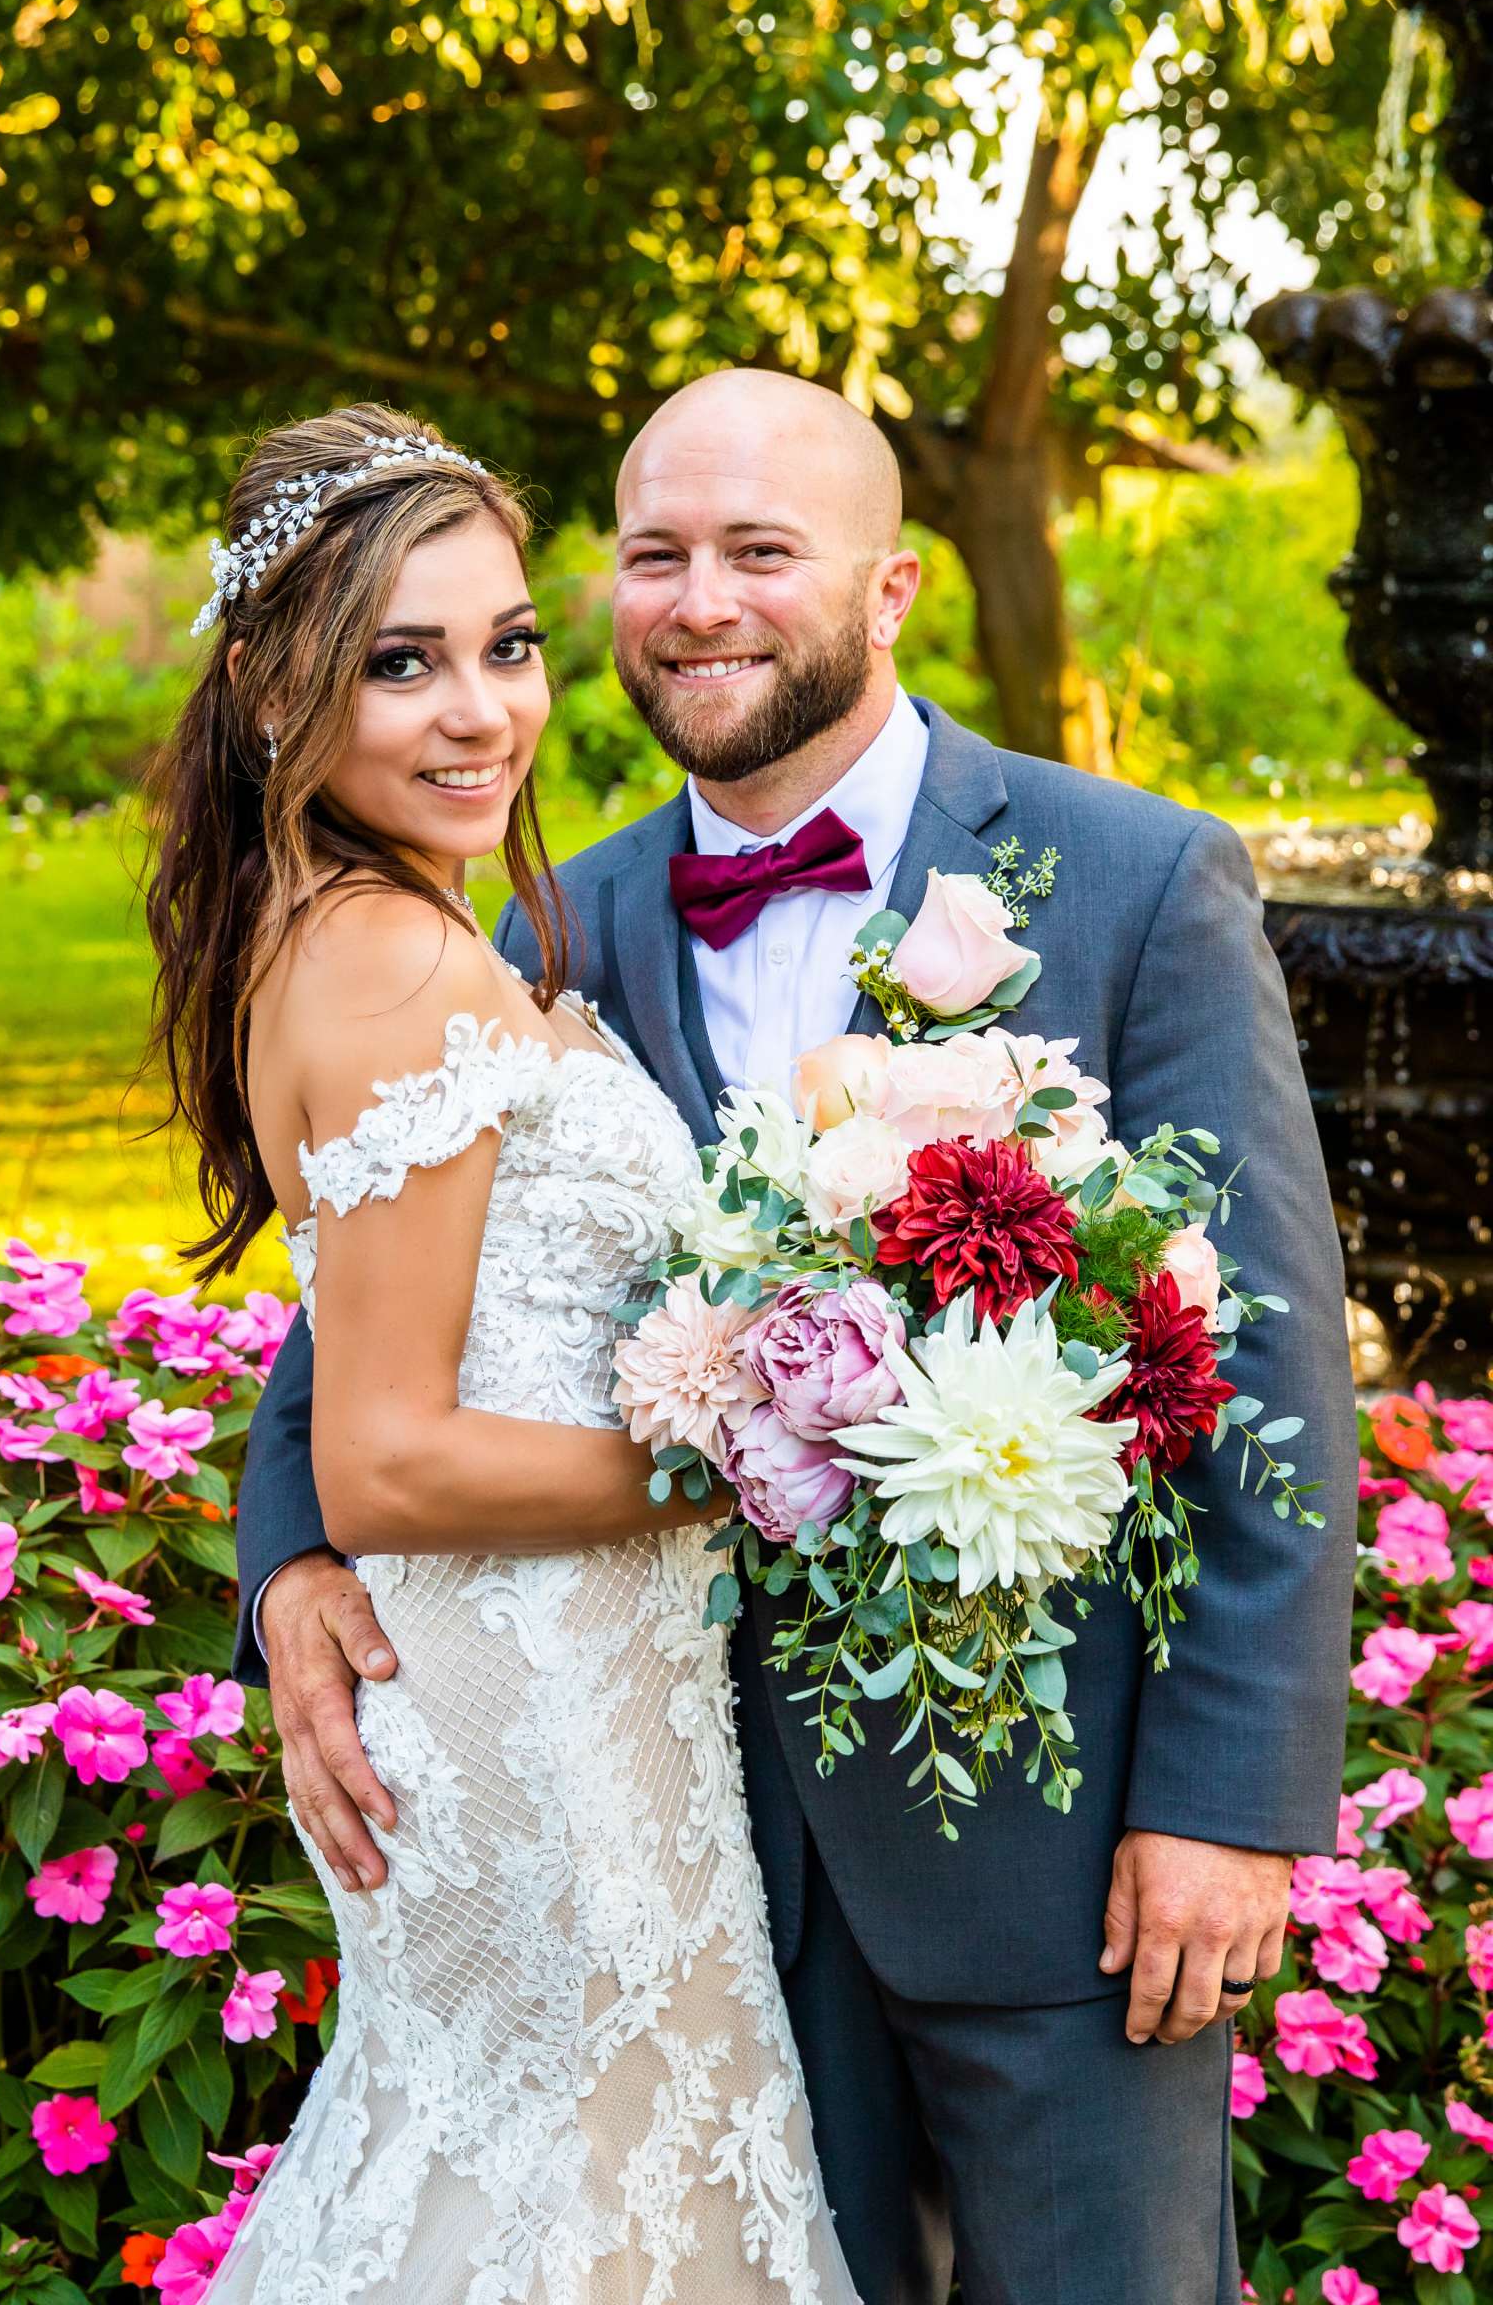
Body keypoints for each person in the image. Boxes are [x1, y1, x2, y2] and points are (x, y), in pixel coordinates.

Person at [232, 372, 1360, 2305]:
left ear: (895, 586)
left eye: (761, 550)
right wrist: (293, 1560)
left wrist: (1222, 1815)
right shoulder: (543, 926)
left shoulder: (1138, 882)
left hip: (1059, 1851)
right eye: (655, 553)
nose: (700, 600)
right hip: (700, 1861)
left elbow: (1267, 1374)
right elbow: (376, 1292)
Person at [145, 401, 862, 2304]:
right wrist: (778, 1460)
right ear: (273, 686)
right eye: (403, 663)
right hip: (530, 1720)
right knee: (586, 2197)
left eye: (506, 646)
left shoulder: (384, 924)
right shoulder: (389, 961)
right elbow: (383, 1457)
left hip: (591, 1690)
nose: (481, 712)